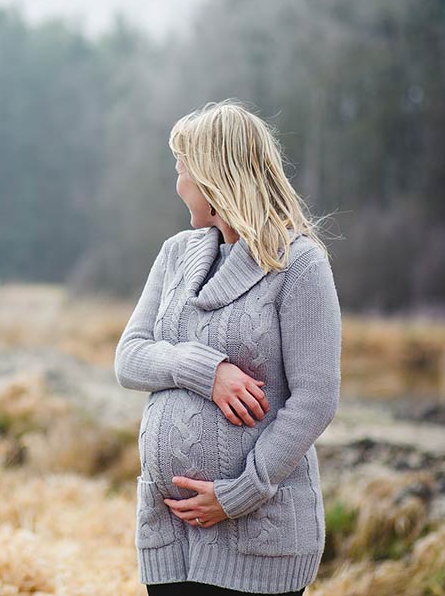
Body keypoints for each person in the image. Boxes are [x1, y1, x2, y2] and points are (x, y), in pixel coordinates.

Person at [115, 100, 341, 596]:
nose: (177, 184)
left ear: (216, 176)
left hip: (257, 536)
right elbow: (129, 357)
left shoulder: (298, 265)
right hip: (168, 532)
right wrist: (202, 368)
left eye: (182, 170)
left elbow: (316, 400)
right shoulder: (176, 253)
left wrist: (238, 494)